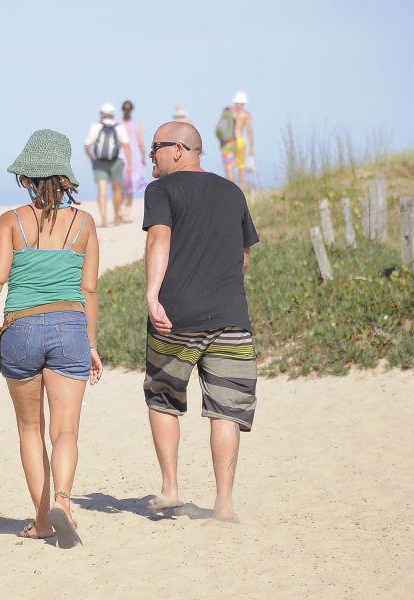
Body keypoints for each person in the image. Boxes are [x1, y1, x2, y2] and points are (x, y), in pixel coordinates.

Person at [0, 129, 102, 549]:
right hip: (70, 328)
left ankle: (42, 520)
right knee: (66, 431)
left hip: (19, 330)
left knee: (29, 430)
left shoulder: (10, 221)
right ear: (66, 177)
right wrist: (91, 344)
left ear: (26, 177)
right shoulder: (85, 224)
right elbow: (89, 289)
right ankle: (64, 501)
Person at [142, 121, 259, 522]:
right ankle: (224, 503)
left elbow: (159, 239)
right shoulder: (232, 191)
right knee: (226, 409)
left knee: (163, 396)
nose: (150, 156)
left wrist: (152, 295)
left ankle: (171, 488)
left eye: (154, 148)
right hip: (232, 318)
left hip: (177, 316)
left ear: (177, 149)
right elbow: (243, 257)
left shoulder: (161, 191)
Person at [84, 103, 132, 227]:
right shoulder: (119, 127)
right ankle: (116, 218)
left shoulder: (95, 127)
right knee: (116, 190)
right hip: (117, 161)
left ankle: (104, 219)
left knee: (102, 191)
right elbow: (126, 145)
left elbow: (87, 145)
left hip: (100, 162)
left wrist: (92, 159)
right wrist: (130, 164)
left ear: (101, 114)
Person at [120, 100, 147, 223]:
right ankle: (125, 212)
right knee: (129, 185)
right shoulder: (135, 124)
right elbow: (140, 142)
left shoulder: (119, 124)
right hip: (133, 155)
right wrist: (143, 156)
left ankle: (122, 211)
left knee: (123, 185)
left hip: (123, 156)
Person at [231, 91, 255, 186]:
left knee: (230, 166)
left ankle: (231, 187)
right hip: (241, 140)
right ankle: (240, 187)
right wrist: (252, 146)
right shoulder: (246, 114)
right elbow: (249, 131)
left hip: (230, 141)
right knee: (241, 165)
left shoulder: (230, 113)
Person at [215, 105, 237, 180]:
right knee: (230, 166)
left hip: (226, 144)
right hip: (233, 143)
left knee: (228, 166)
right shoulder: (232, 118)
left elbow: (220, 131)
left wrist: (221, 139)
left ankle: (231, 184)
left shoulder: (225, 117)